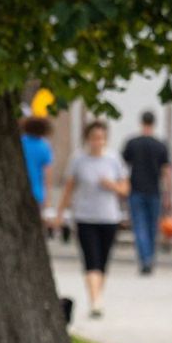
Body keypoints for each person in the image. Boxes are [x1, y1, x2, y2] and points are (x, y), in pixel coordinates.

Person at [52, 120, 130, 319]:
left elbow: (125, 189)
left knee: (102, 261)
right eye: (94, 138)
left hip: (109, 217)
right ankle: (96, 301)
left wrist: (111, 185)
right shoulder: (78, 160)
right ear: (87, 139)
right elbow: (69, 187)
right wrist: (60, 213)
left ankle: (96, 295)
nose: (98, 142)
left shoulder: (113, 159)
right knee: (91, 259)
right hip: (85, 216)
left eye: (102, 138)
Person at [121, 111, 171, 277]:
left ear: (141, 122)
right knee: (151, 227)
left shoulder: (132, 143)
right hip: (154, 190)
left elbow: (124, 167)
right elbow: (166, 172)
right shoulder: (160, 145)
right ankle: (150, 257)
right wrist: (168, 195)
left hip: (136, 189)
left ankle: (145, 259)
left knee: (139, 225)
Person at [20, 114, 53, 210]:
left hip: (17, 190)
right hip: (37, 193)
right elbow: (47, 175)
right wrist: (48, 199)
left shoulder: (19, 143)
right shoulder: (44, 147)